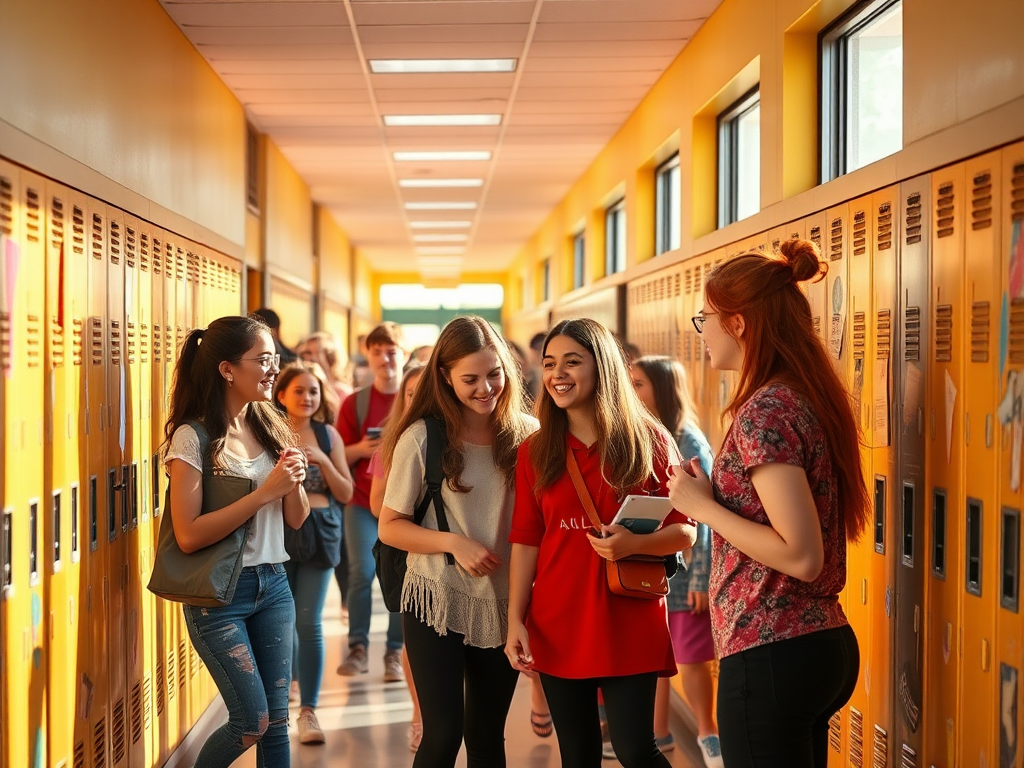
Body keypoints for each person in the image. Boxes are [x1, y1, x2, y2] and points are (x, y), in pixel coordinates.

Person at [667, 239, 868, 768]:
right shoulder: (795, 396)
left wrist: (702, 506)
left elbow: (802, 555)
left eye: (704, 318)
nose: (701, 331)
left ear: (738, 323)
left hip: (774, 651)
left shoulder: (766, 412)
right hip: (809, 642)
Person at [506, 317, 696, 768]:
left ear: (603, 367)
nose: (557, 374)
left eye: (572, 362)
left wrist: (632, 545)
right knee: (578, 754)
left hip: (628, 615)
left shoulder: (648, 441)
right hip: (557, 618)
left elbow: (685, 529)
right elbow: (526, 539)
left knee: (635, 749)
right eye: (550, 364)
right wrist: (515, 618)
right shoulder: (534, 451)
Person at [378, 316, 536, 768]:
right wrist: (453, 543)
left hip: (504, 602)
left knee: (487, 737)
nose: (485, 388)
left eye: (494, 374)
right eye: (470, 379)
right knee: (443, 734)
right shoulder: (422, 437)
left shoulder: (529, 435)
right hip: (434, 597)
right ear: (445, 377)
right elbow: (391, 525)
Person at [163, 315, 309, 767]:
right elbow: (188, 535)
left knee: (277, 723)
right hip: (220, 597)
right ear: (228, 369)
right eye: (262, 360)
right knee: (251, 721)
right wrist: (264, 492)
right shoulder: (195, 437)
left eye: (275, 359)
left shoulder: (270, 424)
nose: (273, 369)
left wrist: (295, 482)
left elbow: (297, 519)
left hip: (274, 584)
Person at [631, 356, 723, 768]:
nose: (631, 391)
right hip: (664, 569)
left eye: (639, 384)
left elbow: (704, 518)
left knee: (691, 658)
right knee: (660, 656)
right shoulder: (653, 433)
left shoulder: (688, 441)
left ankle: (708, 734)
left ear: (662, 390)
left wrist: (703, 579)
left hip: (688, 577)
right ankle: (659, 731)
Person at [273, 361, 355, 744]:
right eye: (299, 390)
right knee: (283, 617)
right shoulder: (268, 431)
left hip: (321, 530)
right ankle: (287, 684)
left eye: (314, 391)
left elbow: (347, 493)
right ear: (281, 394)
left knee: (308, 620)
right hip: (280, 532)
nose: (307, 398)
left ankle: (309, 711)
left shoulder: (328, 436)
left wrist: (321, 459)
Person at [336, 322, 408, 680]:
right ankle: (358, 648)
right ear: (368, 355)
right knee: (361, 574)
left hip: (403, 507)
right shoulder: (356, 403)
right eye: (377, 351)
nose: (385, 358)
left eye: (391, 350)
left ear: (403, 354)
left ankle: (395, 651)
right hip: (362, 503)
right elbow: (337, 456)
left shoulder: (413, 398)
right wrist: (360, 449)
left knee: (399, 575)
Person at [367, 363, 427, 752]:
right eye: (410, 392)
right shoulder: (393, 443)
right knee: (415, 639)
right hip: (407, 551)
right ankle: (420, 712)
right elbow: (376, 505)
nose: (418, 398)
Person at [299, 331, 354, 404]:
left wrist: (324, 383)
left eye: (318, 352)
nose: (311, 358)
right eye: (308, 352)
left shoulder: (342, 391)